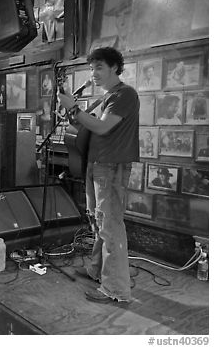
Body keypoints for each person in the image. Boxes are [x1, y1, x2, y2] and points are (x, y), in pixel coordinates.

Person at [58, 46, 139, 304]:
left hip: (112, 167)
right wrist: (73, 111)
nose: (93, 73)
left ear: (115, 67)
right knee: (98, 222)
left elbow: (103, 127)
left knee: (110, 227)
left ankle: (116, 290)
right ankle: (96, 271)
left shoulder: (124, 94)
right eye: (91, 68)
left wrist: (75, 109)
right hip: (97, 166)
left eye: (99, 67)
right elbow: (87, 126)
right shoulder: (107, 97)